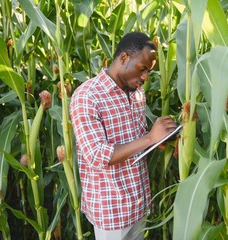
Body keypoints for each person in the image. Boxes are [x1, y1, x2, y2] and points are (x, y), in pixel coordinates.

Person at [69, 32, 177, 240]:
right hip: (111, 211)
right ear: (124, 58)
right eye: (142, 68)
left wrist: (159, 139)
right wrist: (149, 139)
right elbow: (96, 155)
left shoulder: (137, 94)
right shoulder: (87, 96)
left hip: (138, 203)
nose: (145, 77)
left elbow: (134, 140)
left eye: (149, 71)